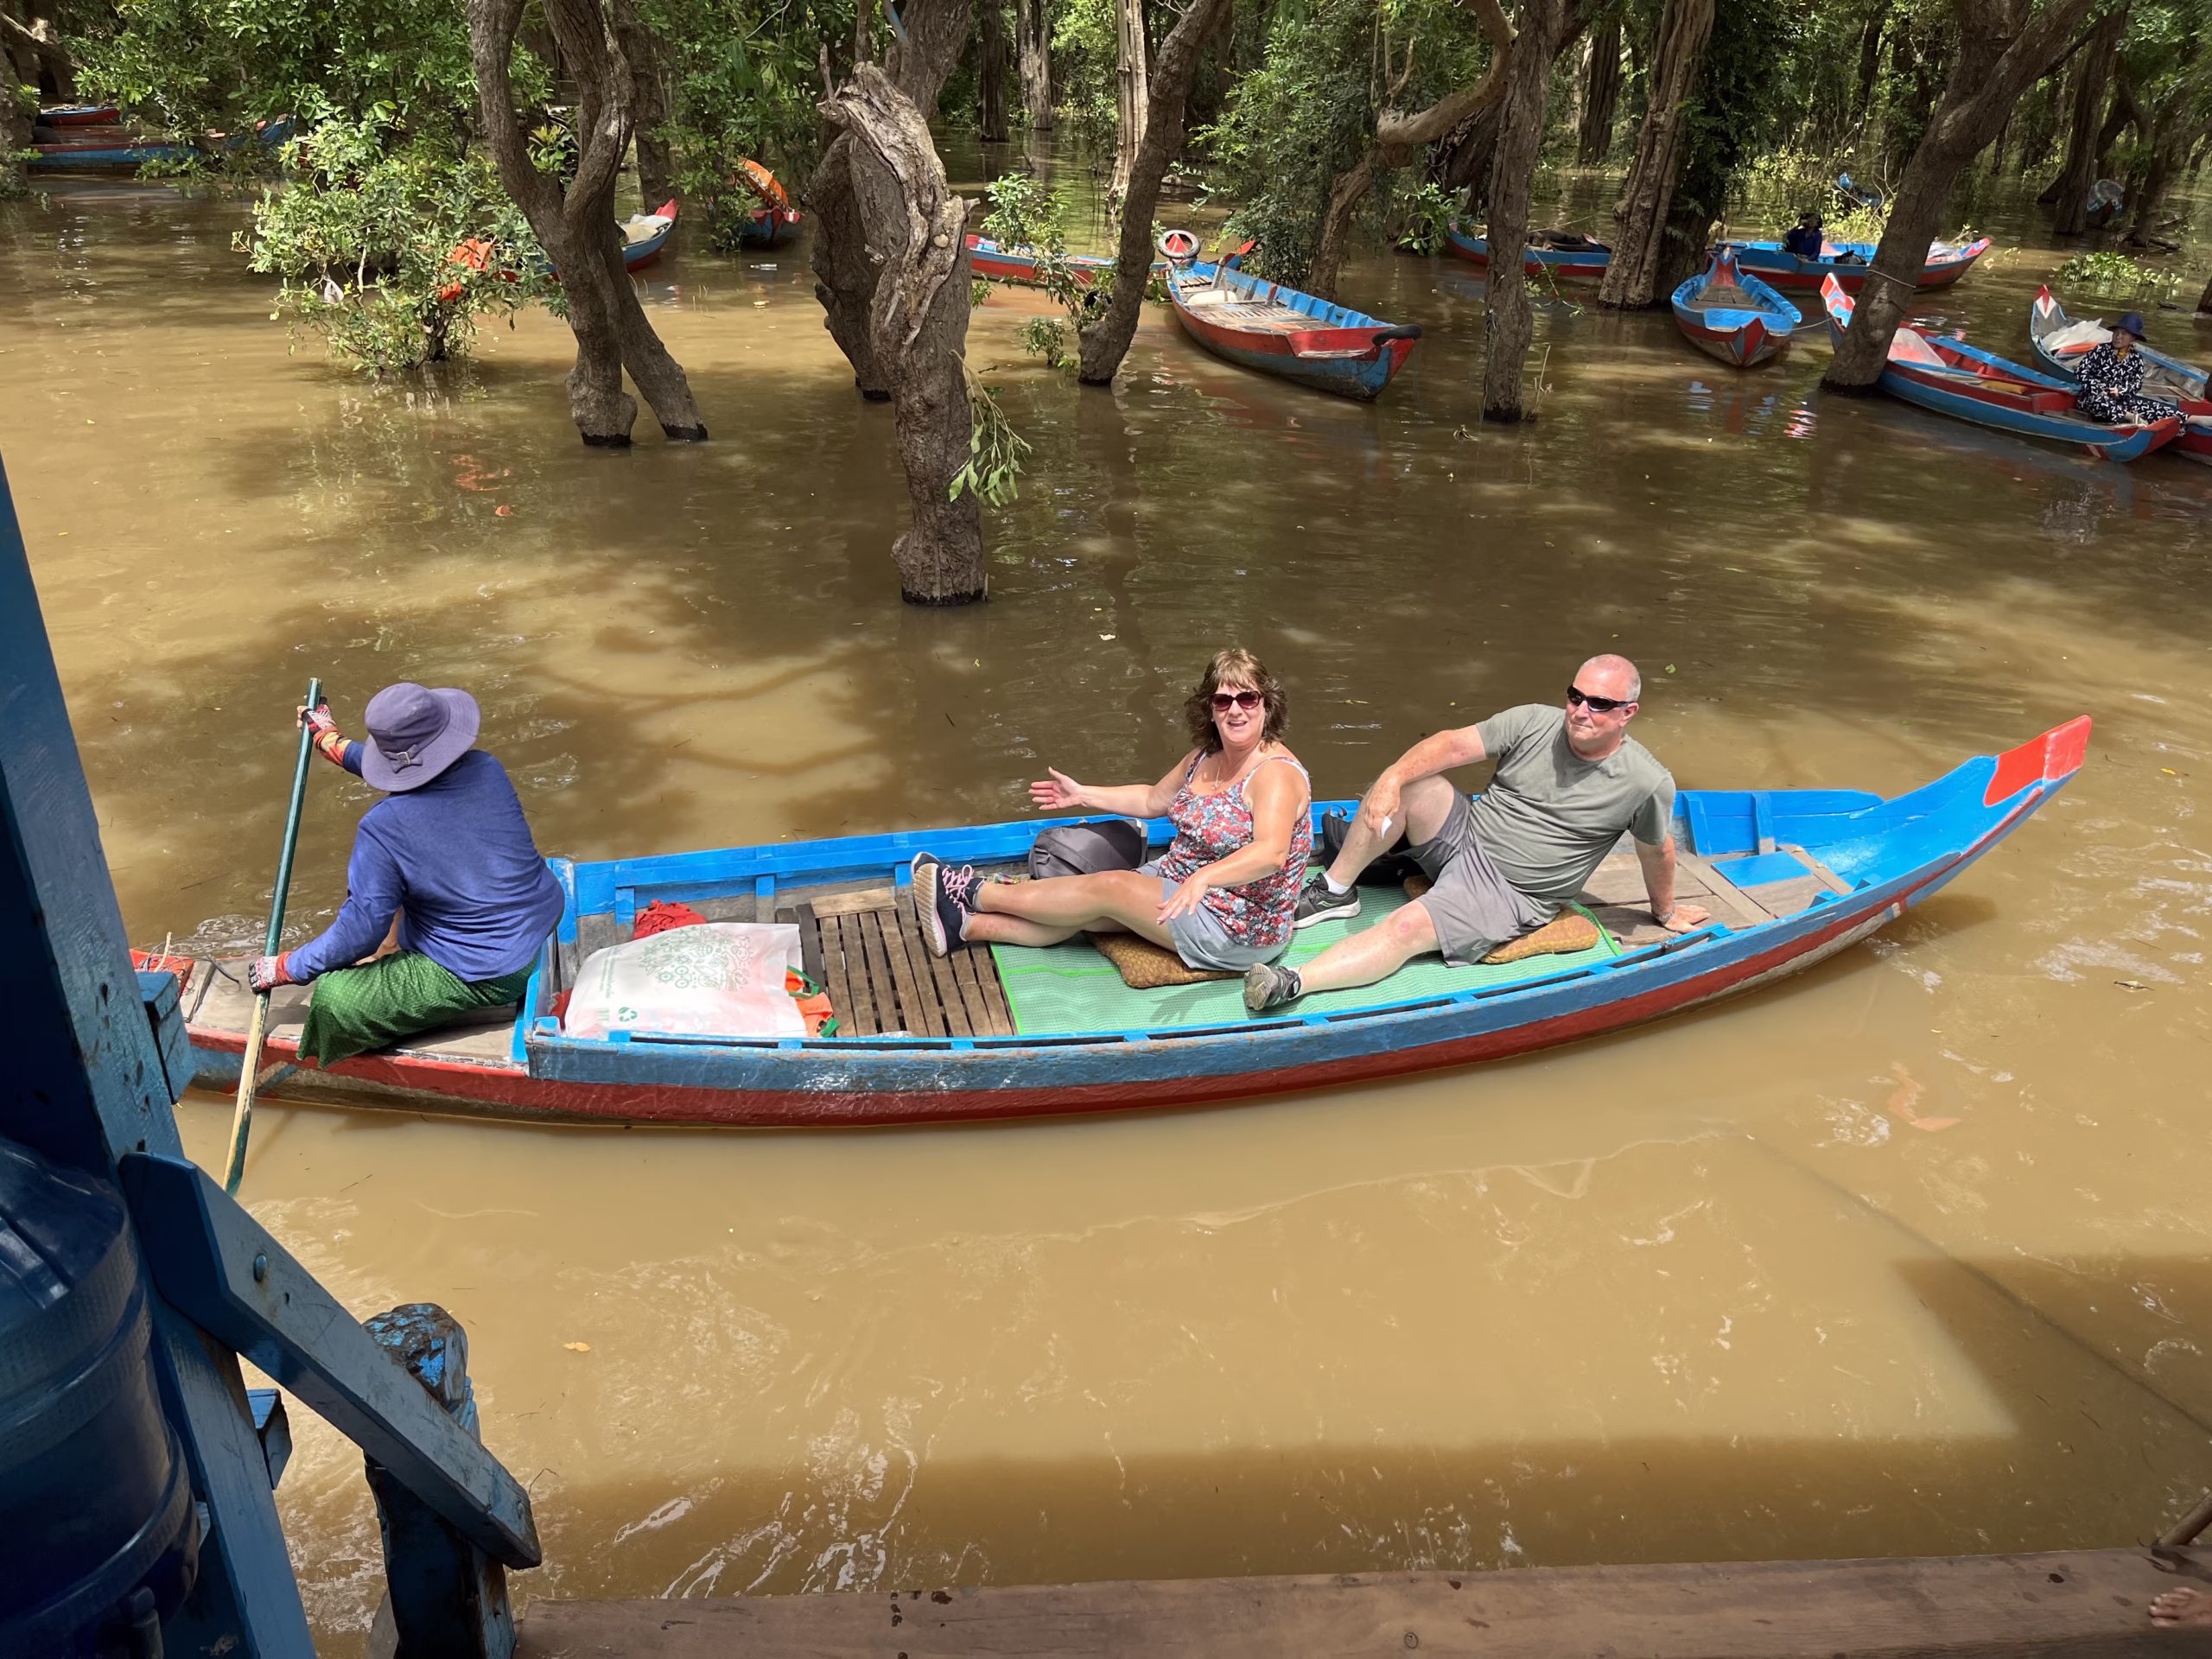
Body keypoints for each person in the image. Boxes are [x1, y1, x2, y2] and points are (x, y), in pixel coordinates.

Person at [1243, 654, 1707, 1014]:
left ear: (1628, 713)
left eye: (1599, 704)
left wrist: (1664, 913)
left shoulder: (1647, 782)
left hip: (1507, 890)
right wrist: (1391, 778)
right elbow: (1450, 744)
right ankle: (1337, 890)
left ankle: (1292, 981)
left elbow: (1657, 850)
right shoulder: (1534, 721)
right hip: (1467, 836)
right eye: (1575, 696)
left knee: (1405, 927)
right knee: (1417, 783)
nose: (1581, 711)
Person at [913, 649, 1313, 972]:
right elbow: (1152, 801)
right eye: (1223, 700)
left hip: (1242, 925)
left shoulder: (1274, 773)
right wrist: (1082, 793)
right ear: (1210, 709)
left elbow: (1271, 852)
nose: (1236, 710)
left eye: (1248, 698)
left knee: (1109, 886)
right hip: (1182, 882)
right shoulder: (1204, 757)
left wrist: (1206, 877)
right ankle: (964, 926)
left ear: (1266, 706)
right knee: (1080, 910)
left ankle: (972, 893)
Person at [245, 683, 565, 1065]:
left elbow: (360, 934)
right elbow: (415, 770)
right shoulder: (486, 768)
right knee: (397, 895)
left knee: (335, 999)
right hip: (542, 919)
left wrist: (284, 967)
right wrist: (328, 740)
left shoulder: (382, 828)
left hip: (496, 970)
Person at [2074, 313, 2184, 428]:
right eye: (2116, 332)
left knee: (2153, 407)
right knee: (2098, 400)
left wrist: (2120, 392)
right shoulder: (2100, 350)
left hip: (2120, 401)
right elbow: (2081, 372)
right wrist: (2098, 388)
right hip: (2094, 398)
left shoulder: (2136, 359)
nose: (2118, 336)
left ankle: (2192, 419)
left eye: (2124, 333)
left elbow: (2136, 384)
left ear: (2133, 338)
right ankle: (2131, 417)